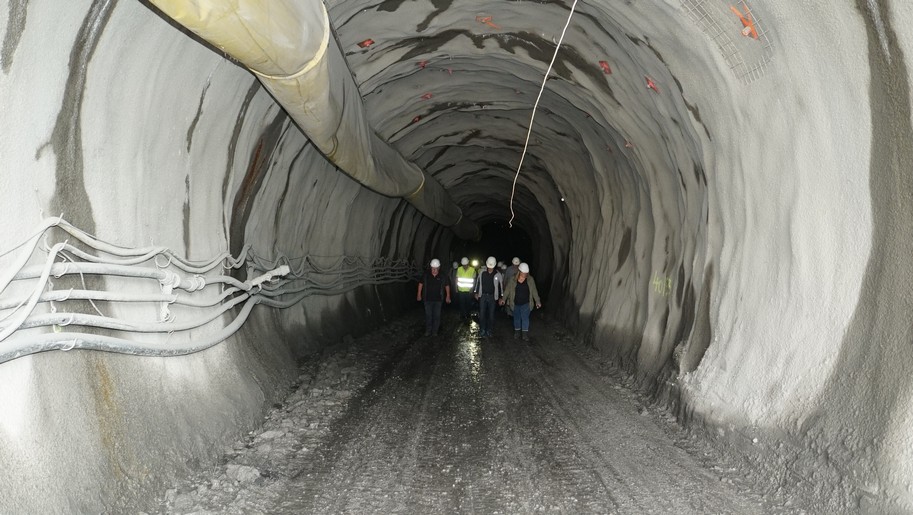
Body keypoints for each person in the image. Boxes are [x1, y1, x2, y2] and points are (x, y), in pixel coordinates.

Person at [501, 262, 542, 342]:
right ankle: (517, 332)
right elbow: (507, 290)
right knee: (516, 318)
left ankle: (524, 334)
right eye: (523, 273)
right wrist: (503, 299)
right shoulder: (512, 279)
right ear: (519, 271)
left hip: (526, 303)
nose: (525, 274)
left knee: (525, 318)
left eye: (526, 273)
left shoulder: (530, 280)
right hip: (515, 303)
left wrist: (537, 301)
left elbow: (534, 291)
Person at [417, 258, 451, 336]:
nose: (434, 270)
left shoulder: (443, 275)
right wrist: (418, 294)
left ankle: (435, 331)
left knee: (436, 316)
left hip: (438, 300)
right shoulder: (426, 275)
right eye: (433, 268)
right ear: (431, 267)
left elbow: (447, 285)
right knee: (428, 315)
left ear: (439, 268)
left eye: (436, 269)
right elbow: (420, 284)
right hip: (427, 299)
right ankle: (428, 330)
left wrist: (448, 296)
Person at [473, 256, 503, 338]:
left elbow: (501, 287)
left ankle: (489, 330)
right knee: (482, 314)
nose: (490, 268)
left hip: (492, 297)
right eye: (489, 266)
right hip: (483, 296)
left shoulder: (498, 274)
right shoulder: (482, 272)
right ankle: (482, 330)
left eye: (491, 266)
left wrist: (501, 297)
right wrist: (475, 292)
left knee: (491, 315)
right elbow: (477, 283)